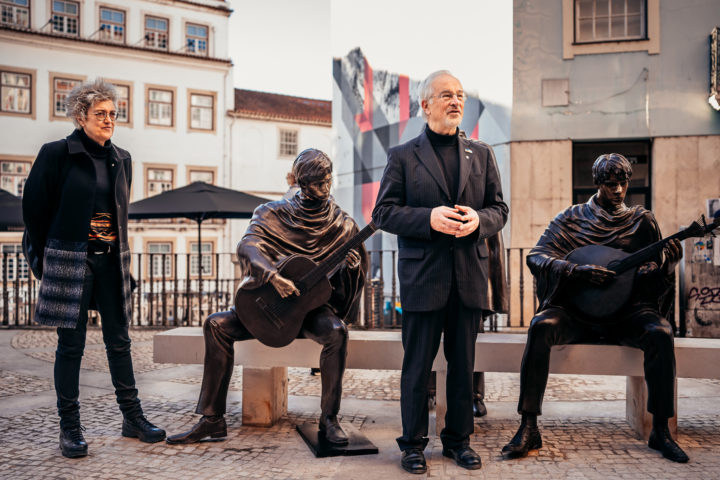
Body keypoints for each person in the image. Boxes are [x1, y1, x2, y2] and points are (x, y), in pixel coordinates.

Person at [167, 148, 367, 445]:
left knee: (337, 333)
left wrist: (351, 268)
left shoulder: (343, 225)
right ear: (301, 183)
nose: (325, 189)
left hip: (312, 311)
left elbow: (351, 282)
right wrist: (273, 276)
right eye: (317, 183)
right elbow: (248, 246)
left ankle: (329, 419)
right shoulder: (272, 213)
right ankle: (212, 420)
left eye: (328, 181)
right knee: (216, 325)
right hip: (271, 307)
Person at [501, 153, 687, 463]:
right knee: (541, 326)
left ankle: (660, 430)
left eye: (623, 183)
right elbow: (536, 256)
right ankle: (528, 426)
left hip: (627, 313)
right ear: (597, 183)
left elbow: (654, 277)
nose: (618, 190)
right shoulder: (571, 219)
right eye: (611, 184)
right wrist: (575, 271)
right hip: (577, 313)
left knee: (660, 332)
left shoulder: (642, 222)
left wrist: (669, 265)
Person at [372, 70, 508, 473]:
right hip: (423, 279)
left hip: (468, 279)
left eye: (460, 95)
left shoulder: (481, 154)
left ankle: (458, 442)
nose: (455, 101)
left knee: (463, 369)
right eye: (446, 94)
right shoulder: (402, 156)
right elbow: (383, 213)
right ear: (425, 105)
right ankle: (412, 445)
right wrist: (428, 218)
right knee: (417, 367)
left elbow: (499, 209)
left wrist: (479, 221)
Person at [22, 79, 165, 458]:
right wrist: (47, 258)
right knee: (71, 346)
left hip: (112, 261)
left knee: (120, 341)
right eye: (100, 113)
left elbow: (119, 212)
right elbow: (34, 210)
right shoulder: (56, 153)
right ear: (80, 116)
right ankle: (70, 428)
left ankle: (132, 418)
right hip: (70, 258)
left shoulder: (123, 159)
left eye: (113, 114)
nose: (108, 120)